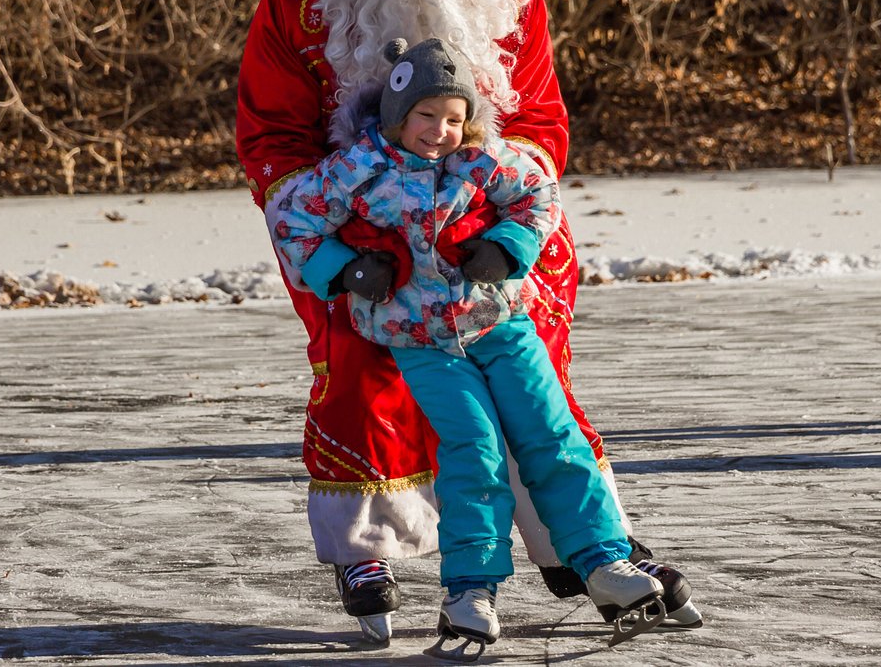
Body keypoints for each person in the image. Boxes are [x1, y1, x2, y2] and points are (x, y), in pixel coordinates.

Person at [235, 0, 700, 643]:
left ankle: (583, 544)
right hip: (371, 236)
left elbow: (541, 119)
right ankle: (366, 543)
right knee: (367, 382)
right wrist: (331, 246)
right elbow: (271, 133)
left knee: (536, 398)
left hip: (493, 235)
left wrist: (515, 226)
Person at [271, 37, 668, 657]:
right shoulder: (357, 170)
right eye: (426, 116)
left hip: (502, 323)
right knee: (474, 451)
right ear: (398, 115)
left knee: (552, 434)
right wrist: (345, 269)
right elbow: (293, 220)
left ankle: (604, 562)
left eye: (454, 118)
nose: (440, 131)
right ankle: (470, 589)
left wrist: (507, 245)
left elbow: (539, 195)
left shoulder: (483, 160)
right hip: (420, 341)